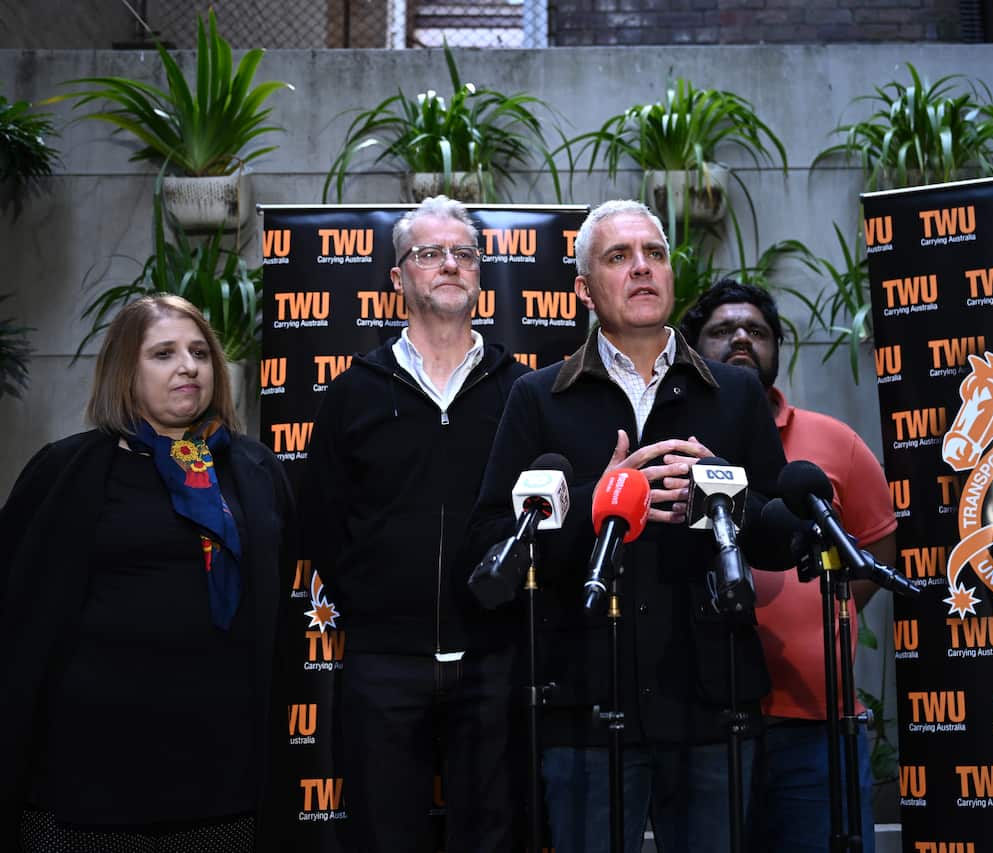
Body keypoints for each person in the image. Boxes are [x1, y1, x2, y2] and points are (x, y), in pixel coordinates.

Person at [469, 200, 787, 853]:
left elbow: (779, 540)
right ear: (584, 289)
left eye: (654, 254)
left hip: (711, 702)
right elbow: (488, 545)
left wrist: (725, 496)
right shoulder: (538, 396)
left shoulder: (734, 393)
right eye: (619, 257)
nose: (642, 268)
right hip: (583, 706)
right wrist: (592, 502)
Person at [0, 294, 295, 852]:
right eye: (163, 353)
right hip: (90, 770)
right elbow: (18, 607)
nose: (188, 366)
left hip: (220, 768)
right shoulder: (66, 470)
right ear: (124, 374)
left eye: (199, 352)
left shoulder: (255, 470)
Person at [302, 195, 530, 853]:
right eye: (430, 253)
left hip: (492, 659)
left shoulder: (519, 390)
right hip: (382, 663)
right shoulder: (353, 392)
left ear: (480, 274)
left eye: (463, 253)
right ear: (398, 277)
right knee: (381, 836)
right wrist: (371, 607)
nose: (450, 264)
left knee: (492, 837)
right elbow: (321, 517)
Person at [681, 279, 896, 853]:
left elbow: (877, 549)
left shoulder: (835, 441)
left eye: (756, 331)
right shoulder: (675, 443)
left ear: (778, 346)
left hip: (815, 720)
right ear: (692, 348)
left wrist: (830, 609)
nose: (741, 340)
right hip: (706, 721)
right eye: (722, 331)